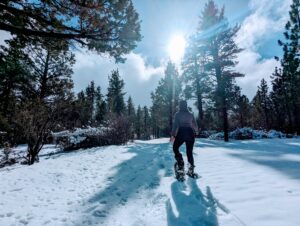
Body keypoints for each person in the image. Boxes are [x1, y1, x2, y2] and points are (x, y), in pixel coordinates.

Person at [171, 100, 198, 176]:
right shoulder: (190, 114)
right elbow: (195, 125)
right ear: (186, 106)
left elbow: (175, 125)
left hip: (182, 132)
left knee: (175, 148)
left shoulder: (177, 114)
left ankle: (180, 163)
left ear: (180, 106)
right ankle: (191, 169)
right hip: (190, 133)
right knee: (189, 152)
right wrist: (196, 131)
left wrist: (173, 135)